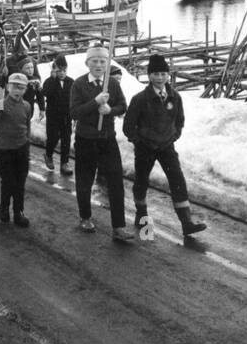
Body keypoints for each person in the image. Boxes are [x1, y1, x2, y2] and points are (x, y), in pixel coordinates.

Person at [124, 54, 207, 237]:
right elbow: (128, 127)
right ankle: (141, 214)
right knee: (142, 180)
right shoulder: (140, 99)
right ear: (149, 75)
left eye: (163, 74)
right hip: (145, 147)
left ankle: (186, 223)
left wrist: (172, 137)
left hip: (166, 147)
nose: (160, 78)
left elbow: (179, 121)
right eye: (155, 74)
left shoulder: (175, 97)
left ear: (168, 75)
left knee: (177, 179)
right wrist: (140, 141)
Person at [69, 46, 133, 241]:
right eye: (94, 61)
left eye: (102, 61)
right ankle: (85, 217)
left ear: (107, 64)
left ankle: (119, 227)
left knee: (115, 181)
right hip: (86, 139)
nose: (98, 65)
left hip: (107, 139)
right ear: (87, 63)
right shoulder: (79, 84)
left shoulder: (112, 83)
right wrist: (95, 102)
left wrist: (110, 110)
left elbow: (123, 105)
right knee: (85, 180)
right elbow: (74, 112)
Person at [0, 73, 34, 227]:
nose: (17, 90)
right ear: (7, 87)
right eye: (14, 86)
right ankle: (4, 208)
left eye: (21, 87)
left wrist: (27, 144)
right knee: (8, 182)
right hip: (5, 150)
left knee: (20, 182)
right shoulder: (1, 103)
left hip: (22, 149)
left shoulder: (27, 106)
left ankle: (18, 212)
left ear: (25, 89)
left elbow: (27, 125)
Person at [41, 55, 73, 175]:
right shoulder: (49, 82)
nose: (62, 73)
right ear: (54, 71)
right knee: (53, 137)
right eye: (59, 71)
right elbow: (46, 93)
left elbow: (74, 98)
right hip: (53, 115)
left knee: (66, 139)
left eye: (64, 71)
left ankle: (64, 163)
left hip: (67, 116)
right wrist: (53, 79)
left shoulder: (71, 82)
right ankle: (48, 154)